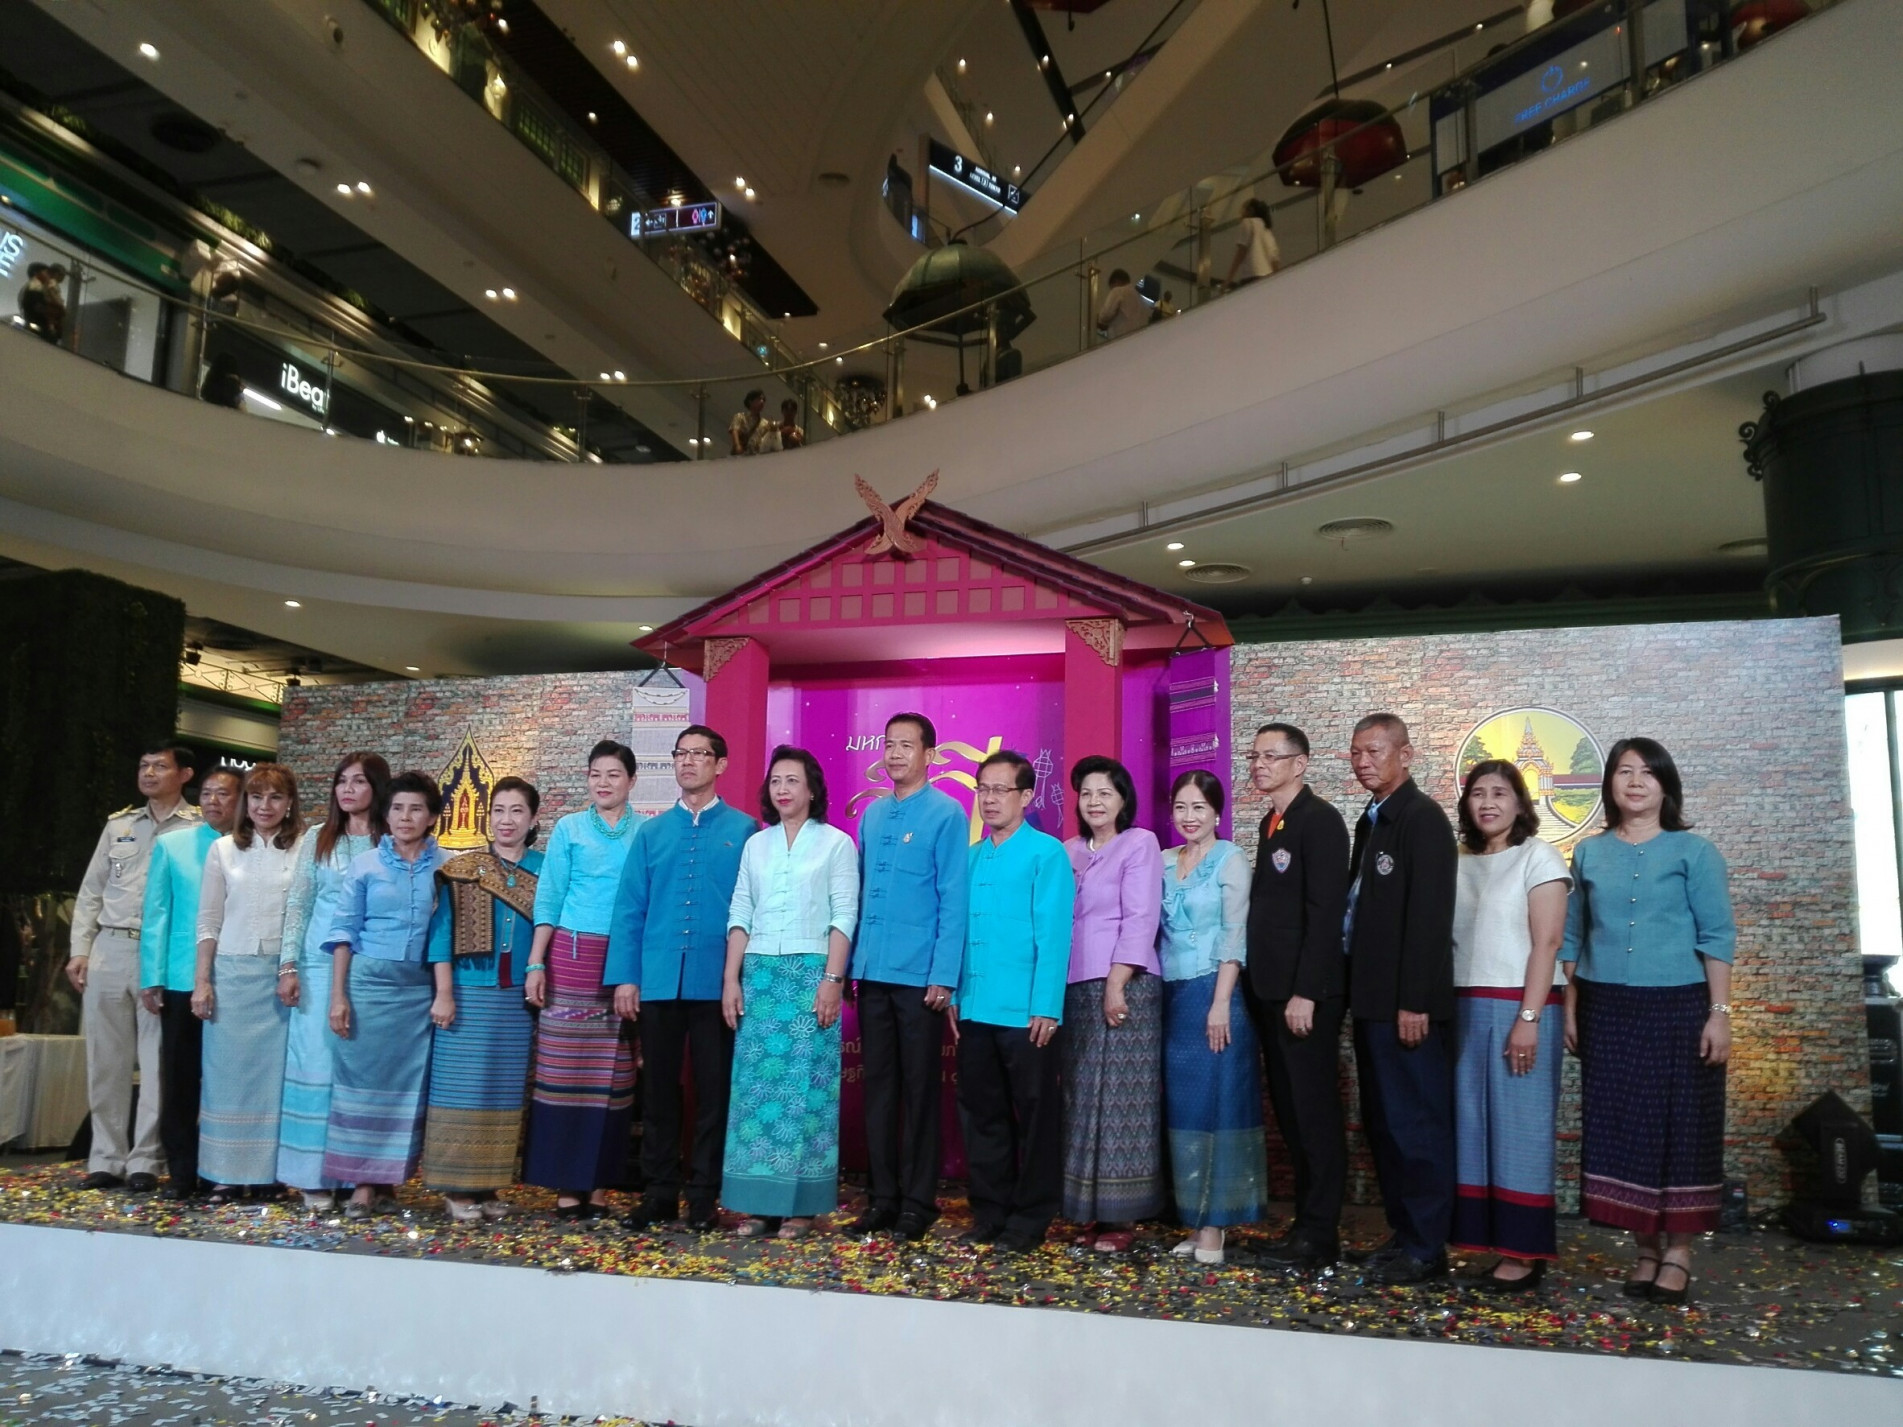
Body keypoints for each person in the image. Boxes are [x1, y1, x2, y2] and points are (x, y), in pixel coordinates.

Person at [1563, 738, 1734, 1306]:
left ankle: (1678, 1253)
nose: (1635, 782)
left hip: (1680, 1007)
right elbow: (1573, 938)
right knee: (1622, 1128)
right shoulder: (1588, 853)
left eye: (1647, 772)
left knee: (1684, 1126)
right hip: (1608, 1009)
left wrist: (1719, 1014)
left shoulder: (1695, 852)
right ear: (1609, 783)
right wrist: (1570, 1009)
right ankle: (1643, 1250)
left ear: (1666, 785)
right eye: (1624, 771)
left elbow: (1717, 936)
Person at [607, 725, 755, 1233]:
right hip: (659, 980)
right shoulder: (651, 833)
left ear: (721, 764)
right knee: (658, 1093)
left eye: (699, 754)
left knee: (714, 1094)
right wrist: (626, 978)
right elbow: (630, 909)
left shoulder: (745, 830)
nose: (688, 762)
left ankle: (703, 1196)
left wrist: (740, 978)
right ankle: (659, 1193)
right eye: (681, 754)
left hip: (717, 984)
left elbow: (752, 910)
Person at [720, 747, 858, 1238]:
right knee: (756, 1093)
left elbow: (844, 914)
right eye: (775, 780)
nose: (782, 789)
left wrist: (832, 980)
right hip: (759, 976)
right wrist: (731, 979)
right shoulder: (756, 845)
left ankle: (802, 1206)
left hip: (810, 977)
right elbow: (740, 911)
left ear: (813, 789)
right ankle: (757, 1204)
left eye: (792, 780)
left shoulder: (837, 844)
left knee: (807, 1092)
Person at [1343, 713, 1459, 1286]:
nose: (1364, 762)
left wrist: (1415, 1001)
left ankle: (1428, 1247)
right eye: (1356, 753)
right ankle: (1403, 1233)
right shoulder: (1371, 820)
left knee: (1417, 1125)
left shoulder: (1423, 818)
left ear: (1405, 755)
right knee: (1386, 1124)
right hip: (1370, 1001)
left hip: (1407, 1007)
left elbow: (1431, 920)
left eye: (1375, 751)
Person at [1450, 760, 1572, 1291]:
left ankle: (1523, 1254)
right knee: (1472, 1128)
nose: (1487, 803)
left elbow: (1548, 942)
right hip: (1464, 1006)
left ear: (1521, 803)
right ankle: (1486, 1241)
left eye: (1500, 793)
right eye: (1478, 793)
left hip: (1521, 1005)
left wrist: (1528, 1018)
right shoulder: (1457, 860)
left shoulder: (1538, 856)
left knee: (1521, 1130)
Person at [848, 712, 968, 1240]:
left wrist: (944, 974)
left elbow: (953, 899)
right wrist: (851, 968)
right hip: (871, 974)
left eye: (906, 745)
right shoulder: (872, 816)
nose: (895, 754)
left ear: (929, 755)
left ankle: (919, 1202)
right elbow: (858, 894)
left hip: (921, 979)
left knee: (920, 1093)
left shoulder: (946, 813)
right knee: (878, 1091)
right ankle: (882, 1199)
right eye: (889, 745)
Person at [955, 750, 1073, 1253]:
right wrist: (955, 995)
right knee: (982, 1116)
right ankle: (990, 1212)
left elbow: (1054, 935)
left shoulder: (1046, 854)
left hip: (1026, 1012)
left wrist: (1046, 1005)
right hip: (974, 1007)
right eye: (983, 789)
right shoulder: (970, 857)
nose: (989, 799)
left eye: (1000, 790)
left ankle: (1030, 1218)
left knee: (1036, 1116)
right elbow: (958, 934)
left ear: (1026, 796)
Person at [69, 744, 201, 1192]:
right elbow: (91, 891)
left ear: (184, 774)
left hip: (159, 951)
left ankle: (146, 1158)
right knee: (105, 1060)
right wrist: (80, 949)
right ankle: (105, 1157)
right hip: (109, 945)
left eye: (160, 766)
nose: (149, 773)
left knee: (157, 1061)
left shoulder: (198, 827)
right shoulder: (119, 825)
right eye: (143, 765)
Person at [1243, 722, 1350, 1269]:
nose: (1259, 765)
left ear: (1300, 763)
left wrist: (1307, 991)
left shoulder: (1320, 820)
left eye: (1270, 756)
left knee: (1313, 1115)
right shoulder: (1271, 822)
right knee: (1290, 1112)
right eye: (1254, 756)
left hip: (1304, 997)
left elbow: (1326, 913)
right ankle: (1304, 1226)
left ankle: (1320, 1233)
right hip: (1270, 991)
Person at [323, 771, 450, 1218]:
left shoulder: (449, 866)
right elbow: (343, 932)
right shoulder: (365, 865)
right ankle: (361, 1184)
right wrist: (338, 996)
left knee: (404, 1089)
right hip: (368, 985)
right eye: (397, 808)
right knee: (361, 1086)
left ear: (432, 816)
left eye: (416, 809)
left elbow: (449, 933)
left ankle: (389, 1181)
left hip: (419, 990)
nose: (405, 817)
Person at [524, 740, 640, 1218]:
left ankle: (599, 1185)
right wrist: (536, 962)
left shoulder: (647, 832)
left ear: (631, 780)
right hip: (570, 961)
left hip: (623, 963)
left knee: (615, 1077)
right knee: (563, 1074)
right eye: (595, 774)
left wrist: (636, 968)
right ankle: (567, 1184)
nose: (603, 783)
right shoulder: (569, 828)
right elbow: (549, 899)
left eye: (613, 774)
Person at [421, 777, 545, 1222]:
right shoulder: (461, 869)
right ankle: (456, 1188)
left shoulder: (548, 869)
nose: (506, 820)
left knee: (502, 1093)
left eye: (516, 811)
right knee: (461, 1090)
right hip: (468, 994)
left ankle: (488, 1184)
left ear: (533, 818)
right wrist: (444, 993)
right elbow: (441, 936)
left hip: (516, 1000)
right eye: (498, 810)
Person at [1160, 770, 1267, 1264]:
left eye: (1199, 807)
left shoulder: (1231, 859)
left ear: (1217, 813)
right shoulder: (1163, 861)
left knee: (1220, 1110)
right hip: (1173, 997)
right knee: (1185, 1113)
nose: (1189, 817)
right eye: (1181, 807)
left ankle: (1216, 1226)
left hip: (1216, 994)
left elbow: (1233, 933)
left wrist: (1221, 1002)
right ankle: (1194, 1217)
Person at [1060, 755, 1164, 1251]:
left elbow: (1141, 917)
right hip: (1075, 985)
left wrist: (1117, 983)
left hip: (1126, 983)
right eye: (1086, 793)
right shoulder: (1067, 850)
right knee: (1082, 1100)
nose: (1094, 801)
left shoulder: (1140, 843)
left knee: (1123, 1103)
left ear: (1124, 800)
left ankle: (1121, 1217)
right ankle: (1089, 1210)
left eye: (1105, 792)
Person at [278, 752, 390, 1209]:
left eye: (358, 781)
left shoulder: (391, 840)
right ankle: (311, 1177)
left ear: (377, 788)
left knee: (359, 1072)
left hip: (372, 970)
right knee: (315, 1065)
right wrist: (288, 965)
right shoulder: (318, 838)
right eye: (341, 781)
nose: (347, 790)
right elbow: (300, 903)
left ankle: (358, 1176)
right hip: (317, 966)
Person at [193, 764, 303, 1202]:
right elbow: (208, 921)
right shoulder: (222, 849)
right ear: (245, 803)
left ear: (289, 803)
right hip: (232, 975)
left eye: (275, 797)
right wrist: (203, 981)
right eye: (256, 797)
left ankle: (267, 1175)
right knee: (226, 1079)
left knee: (274, 1081)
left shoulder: (305, 848)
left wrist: (291, 969)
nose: (264, 806)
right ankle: (222, 1174)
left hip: (282, 979)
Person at [138, 765, 243, 1200]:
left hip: (239, 978)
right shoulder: (173, 845)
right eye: (207, 793)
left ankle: (227, 1169)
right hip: (183, 978)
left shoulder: (254, 846)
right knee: (180, 1079)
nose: (213, 801)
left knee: (229, 1079)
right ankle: (181, 1171)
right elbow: (156, 913)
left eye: (224, 794)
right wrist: (152, 977)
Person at [1223, 198, 1280, 289]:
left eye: (1243, 209)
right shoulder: (1268, 231)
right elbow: (1274, 260)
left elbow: (1241, 253)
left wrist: (1228, 280)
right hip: (1268, 277)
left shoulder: (1248, 222)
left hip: (1252, 274)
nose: (1240, 213)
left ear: (1250, 211)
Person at [1095, 269, 1147, 341]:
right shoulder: (1141, 300)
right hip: (1138, 340)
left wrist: (1098, 319)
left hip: (1120, 338)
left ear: (1116, 281)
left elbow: (1106, 314)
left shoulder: (1118, 291)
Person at [729, 390, 771, 456]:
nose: (762, 402)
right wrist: (737, 446)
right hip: (741, 453)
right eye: (759, 399)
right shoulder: (740, 417)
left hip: (757, 455)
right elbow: (734, 431)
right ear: (750, 401)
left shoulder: (765, 423)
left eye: (763, 400)